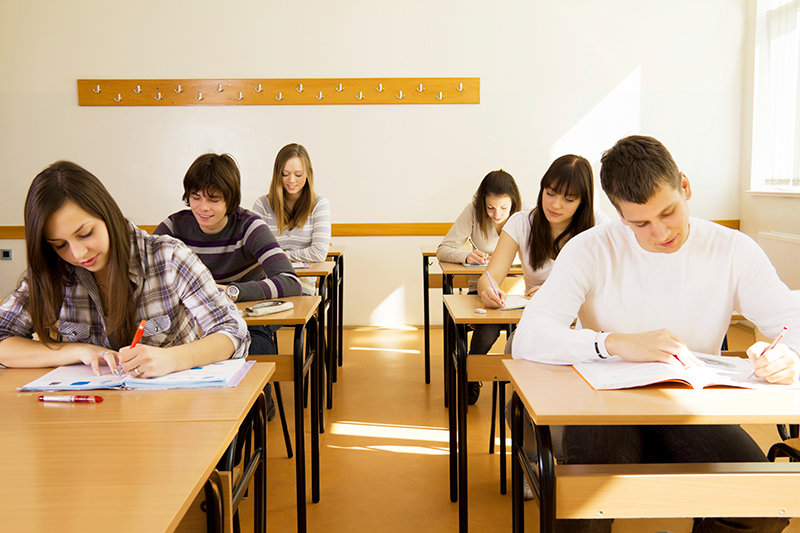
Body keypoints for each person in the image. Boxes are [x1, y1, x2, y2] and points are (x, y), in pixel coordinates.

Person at [513, 135, 800, 533]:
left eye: (669, 212)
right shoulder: (590, 248)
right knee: (585, 506)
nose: (661, 232)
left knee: (762, 505)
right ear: (617, 214)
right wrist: (613, 342)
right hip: (604, 405)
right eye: (640, 223)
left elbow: (791, 322)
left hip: (690, 406)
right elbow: (530, 336)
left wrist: (791, 357)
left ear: (684, 186)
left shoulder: (732, 249)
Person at [0, 161, 250, 377]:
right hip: (92, 416)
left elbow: (232, 331)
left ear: (107, 215)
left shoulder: (168, 257)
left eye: (85, 234)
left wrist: (175, 359)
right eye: (59, 245)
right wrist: (78, 351)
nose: (78, 254)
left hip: (175, 414)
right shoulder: (54, 270)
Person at [154, 153, 302, 420]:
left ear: (231, 199)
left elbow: (290, 281)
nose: (203, 207)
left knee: (252, 362)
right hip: (194, 321)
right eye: (196, 197)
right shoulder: (174, 226)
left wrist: (233, 291)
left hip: (248, 318)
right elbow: (146, 276)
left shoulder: (249, 227)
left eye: (214, 199)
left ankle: (254, 416)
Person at [476, 157, 611, 404]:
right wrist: (489, 291)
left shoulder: (598, 227)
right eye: (550, 193)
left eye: (569, 199)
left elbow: (608, 290)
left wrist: (554, 296)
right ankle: (528, 423)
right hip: (543, 326)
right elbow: (490, 277)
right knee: (515, 352)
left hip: (585, 329)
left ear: (583, 201)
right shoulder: (521, 223)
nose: (556, 204)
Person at [437, 169, 526, 404]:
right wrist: (467, 256)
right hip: (483, 286)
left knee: (528, 329)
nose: (497, 214)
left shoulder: (526, 216)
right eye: (490, 207)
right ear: (483, 203)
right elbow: (443, 249)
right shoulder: (473, 210)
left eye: (504, 208)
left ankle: (523, 385)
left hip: (519, 290)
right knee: (488, 327)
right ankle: (471, 374)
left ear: (514, 204)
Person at [253, 143, 331, 295]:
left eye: (298, 174)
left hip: (302, 286)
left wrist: (282, 255)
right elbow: (253, 252)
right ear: (277, 174)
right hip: (267, 284)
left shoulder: (319, 204)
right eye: (285, 174)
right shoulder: (262, 205)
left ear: (308, 174)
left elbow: (319, 252)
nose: (292, 180)